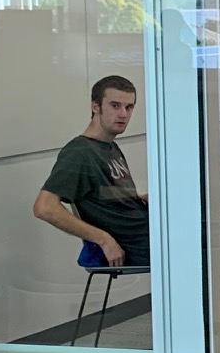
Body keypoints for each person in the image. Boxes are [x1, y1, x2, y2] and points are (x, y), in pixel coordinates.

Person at [34, 76, 151, 268]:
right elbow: (44, 207)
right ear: (95, 107)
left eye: (129, 107)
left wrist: (137, 198)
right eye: (115, 106)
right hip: (141, 245)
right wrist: (103, 240)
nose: (123, 114)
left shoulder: (109, 147)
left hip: (149, 231)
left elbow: (102, 196)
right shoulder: (79, 152)